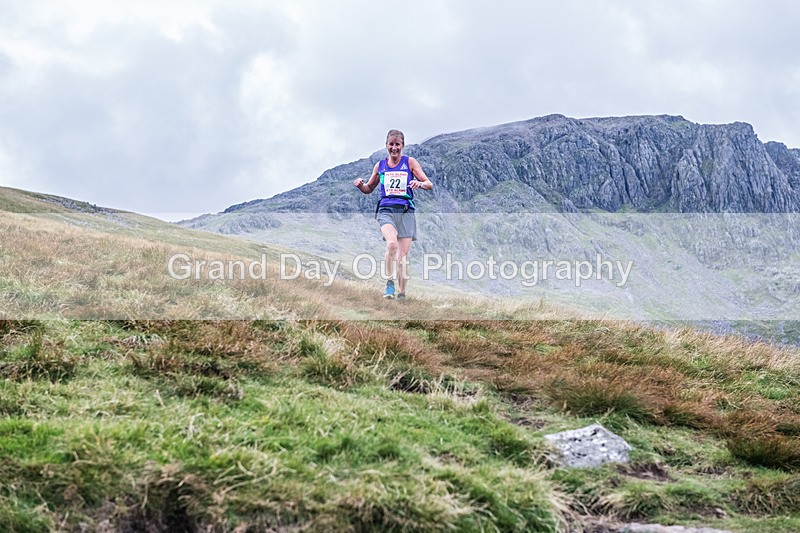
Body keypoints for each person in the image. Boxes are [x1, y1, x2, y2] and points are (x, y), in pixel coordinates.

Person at [353, 129, 433, 300]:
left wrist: (419, 184)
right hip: (386, 210)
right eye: (391, 144)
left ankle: (402, 293)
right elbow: (369, 188)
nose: (394, 148)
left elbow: (429, 184)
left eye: (397, 144)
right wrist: (360, 185)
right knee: (391, 245)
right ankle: (389, 283)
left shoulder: (410, 163)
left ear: (402, 146)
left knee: (403, 258)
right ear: (386, 145)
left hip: (406, 212)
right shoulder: (380, 165)